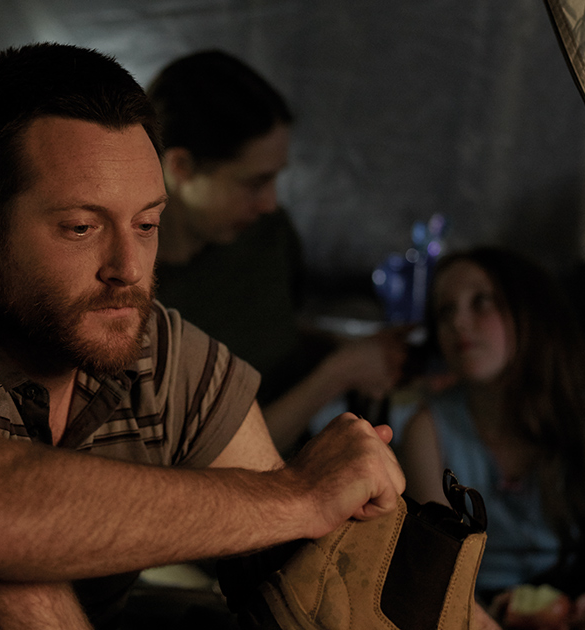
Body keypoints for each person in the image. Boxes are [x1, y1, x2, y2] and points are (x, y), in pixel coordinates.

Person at [0, 43, 405, 630]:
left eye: (146, 224)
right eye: (81, 227)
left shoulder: (165, 355)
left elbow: (302, 576)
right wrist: (299, 493)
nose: (127, 269)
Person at [147, 50, 407, 454]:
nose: (270, 203)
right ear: (180, 167)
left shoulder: (264, 235)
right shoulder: (132, 295)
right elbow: (213, 465)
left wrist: (355, 350)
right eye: (254, 183)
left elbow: (273, 328)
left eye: (276, 179)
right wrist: (337, 374)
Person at [395, 247, 585, 630]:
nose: (459, 322)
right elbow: (438, 576)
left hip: (570, 601)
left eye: (482, 303)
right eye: (445, 311)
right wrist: (481, 618)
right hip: (471, 609)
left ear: (530, 313)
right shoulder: (426, 431)